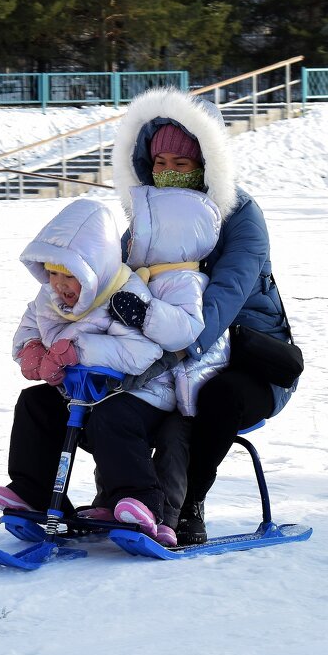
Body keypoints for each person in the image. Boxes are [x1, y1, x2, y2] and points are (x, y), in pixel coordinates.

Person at [110, 87, 299, 546]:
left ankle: (189, 503)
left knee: (215, 397)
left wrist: (175, 347)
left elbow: (226, 294)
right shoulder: (150, 217)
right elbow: (118, 277)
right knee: (104, 395)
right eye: (160, 164)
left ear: (206, 167)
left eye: (181, 165)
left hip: (245, 356)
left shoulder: (242, 216)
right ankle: (122, 498)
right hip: (166, 348)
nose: (168, 173)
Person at [0, 198, 180, 544]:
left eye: (69, 275)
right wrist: (31, 350)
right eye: (53, 273)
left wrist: (78, 351)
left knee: (111, 414)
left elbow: (141, 353)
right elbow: (30, 327)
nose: (59, 284)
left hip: (140, 393)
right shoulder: (49, 297)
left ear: (94, 268)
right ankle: (35, 492)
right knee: (35, 403)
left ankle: (139, 501)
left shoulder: (123, 293)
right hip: (80, 393)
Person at [89, 184, 230, 543]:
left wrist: (145, 314)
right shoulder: (140, 278)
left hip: (190, 394)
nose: (131, 240)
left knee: (170, 441)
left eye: (140, 232)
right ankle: (113, 500)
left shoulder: (188, 281)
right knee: (110, 417)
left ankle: (163, 516)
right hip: (159, 387)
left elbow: (184, 331)